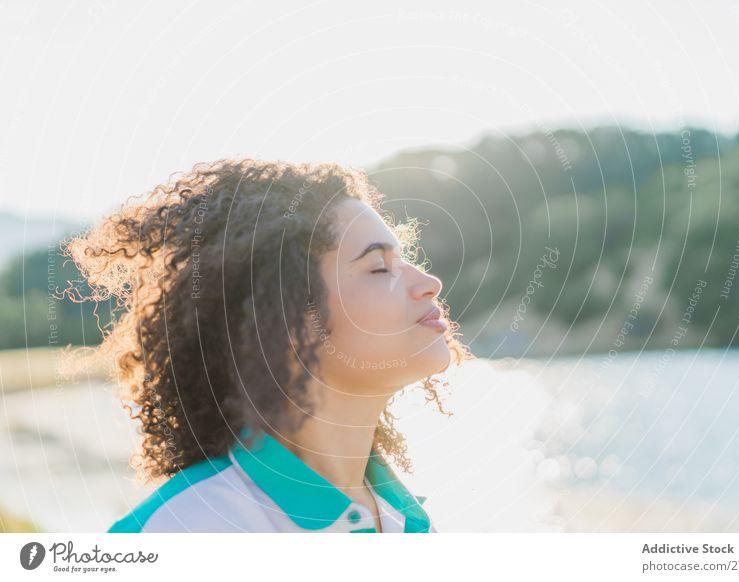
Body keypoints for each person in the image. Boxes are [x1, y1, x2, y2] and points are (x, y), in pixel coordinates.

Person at [65, 159, 473, 532]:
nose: (429, 283)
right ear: (288, 315)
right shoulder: (185, 531)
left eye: (404, 260)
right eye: (380, 267)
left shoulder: (410, 522)